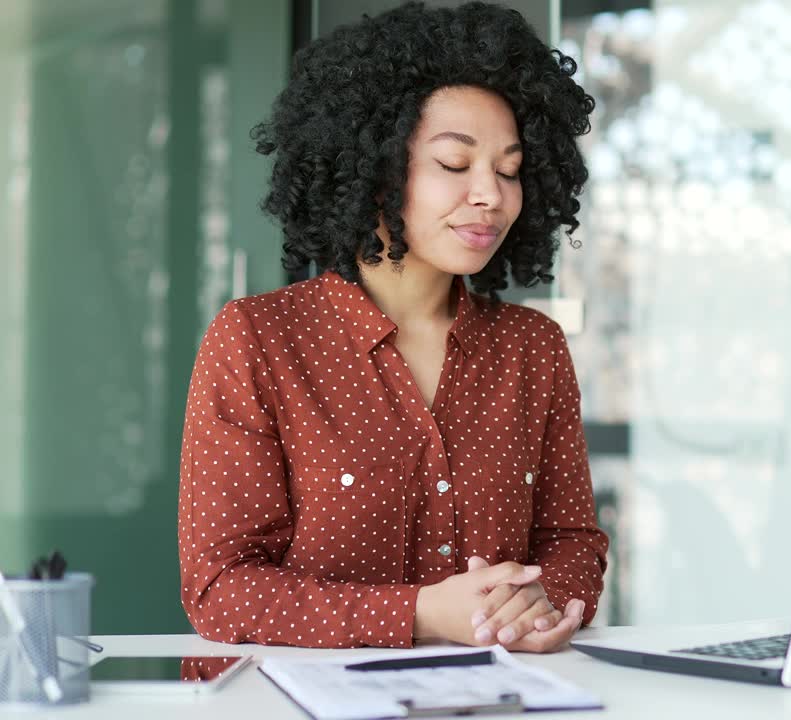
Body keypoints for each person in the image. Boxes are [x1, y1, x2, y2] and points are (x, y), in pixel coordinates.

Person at [177, 1, 607, 653]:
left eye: (511, 170)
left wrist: (540, 605)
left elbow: (574, 544)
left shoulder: (533, 348)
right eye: (455, 165)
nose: (492, 194)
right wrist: (421, 614)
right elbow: (220, 589)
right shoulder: (256, 340)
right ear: (376, 169)